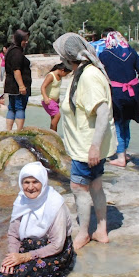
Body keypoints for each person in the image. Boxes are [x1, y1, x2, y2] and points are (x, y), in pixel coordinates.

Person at [53, 33, 117, 251]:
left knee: (79, 188)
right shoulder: (84, 72)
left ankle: (84, 233)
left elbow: (102, 112)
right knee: (96, 185)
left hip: (87, 147)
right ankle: (101, 230)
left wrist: (95, 147)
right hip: (87, 145)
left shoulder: (88, 76)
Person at [99, 31, 139, 167]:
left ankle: (121, 157)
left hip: (117, 94)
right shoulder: (131, 52)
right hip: (133, 94)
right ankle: (125, 153)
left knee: (117, 125)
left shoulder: (105, 55)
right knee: (126, 124)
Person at [4, 30, 32, 131]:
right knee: (20, 107)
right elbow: (16, 70)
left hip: (11, 86)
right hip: (17, 86)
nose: (26, 42)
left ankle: (9, 130)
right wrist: (22, 86)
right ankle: (19, 131)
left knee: (11, 107)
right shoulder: (17, 52)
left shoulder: (11, 50)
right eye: (25, 40)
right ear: (20, 39)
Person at [40, 63, 71, 132]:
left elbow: (55, 88)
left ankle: (53, 133)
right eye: (66, 74)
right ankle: (53, 133)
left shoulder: (59, 76)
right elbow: (43, 87)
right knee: (57, 116)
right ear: (62, 70)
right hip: (48, 100)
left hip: (54, 101)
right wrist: (45, 98)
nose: (66, 75)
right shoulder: (51, 76)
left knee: (54, 118)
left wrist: (57, 98)